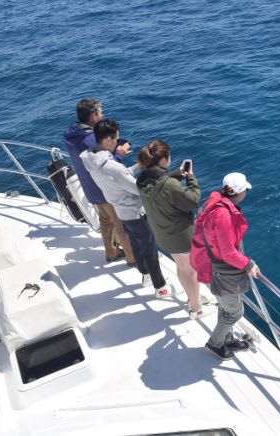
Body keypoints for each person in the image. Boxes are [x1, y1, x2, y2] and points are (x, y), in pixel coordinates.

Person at [80, 119, 172, 297]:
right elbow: (138, 189)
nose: (118, 143)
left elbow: (119, 175)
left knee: (137, 245)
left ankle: (145, 275)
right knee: (149, 248)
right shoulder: (113, 167)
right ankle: (160, 287)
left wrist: (138, 166)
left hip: (121, 211)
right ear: (107, 140)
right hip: (136, 213)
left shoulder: (90, 159)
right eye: (116, 140)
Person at [194, 172, 260, 361]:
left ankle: (227, 338)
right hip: (222, 271)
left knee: (225, 308)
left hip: (212, 266)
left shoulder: (215, 202)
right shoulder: (224, 215)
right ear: (239, 193)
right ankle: (215, 343)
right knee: (235, 312)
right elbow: (227, 252)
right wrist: (248, 264)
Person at [136, 139, 204, 318]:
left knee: (182, 268)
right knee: (191, 270)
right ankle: (195, 308)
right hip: (181, 235)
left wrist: (177, 174)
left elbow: (160, 184)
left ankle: (192, 298)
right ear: (164, 160)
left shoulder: (142, 180)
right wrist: (190, 177)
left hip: (162, 233)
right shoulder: (169, 185)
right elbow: (192, 200)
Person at [63, 98, 136, 266]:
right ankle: (133, 259)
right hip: (103, 188)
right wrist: (120, 154)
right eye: (101, 112)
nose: (102, 114)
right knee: (120, 224)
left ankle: (111, 252)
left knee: (105, 220)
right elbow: (106, 166)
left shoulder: (72, 134)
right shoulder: (90, 140)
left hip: (90, 188)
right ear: (94, 116)